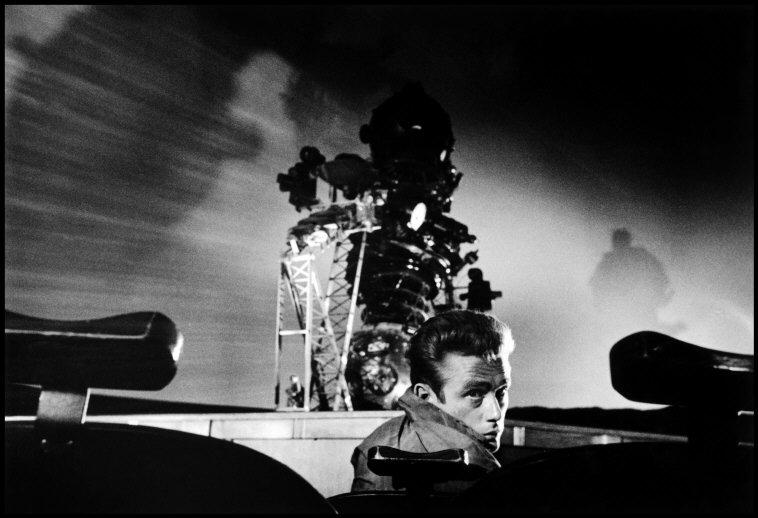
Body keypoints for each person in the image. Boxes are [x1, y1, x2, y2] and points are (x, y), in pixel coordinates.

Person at [350, 309, 514, 493]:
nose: (496, 414)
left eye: (501, 392)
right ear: (425, 396)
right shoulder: (385, 458)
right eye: (475, 393)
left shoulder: (383, 439)